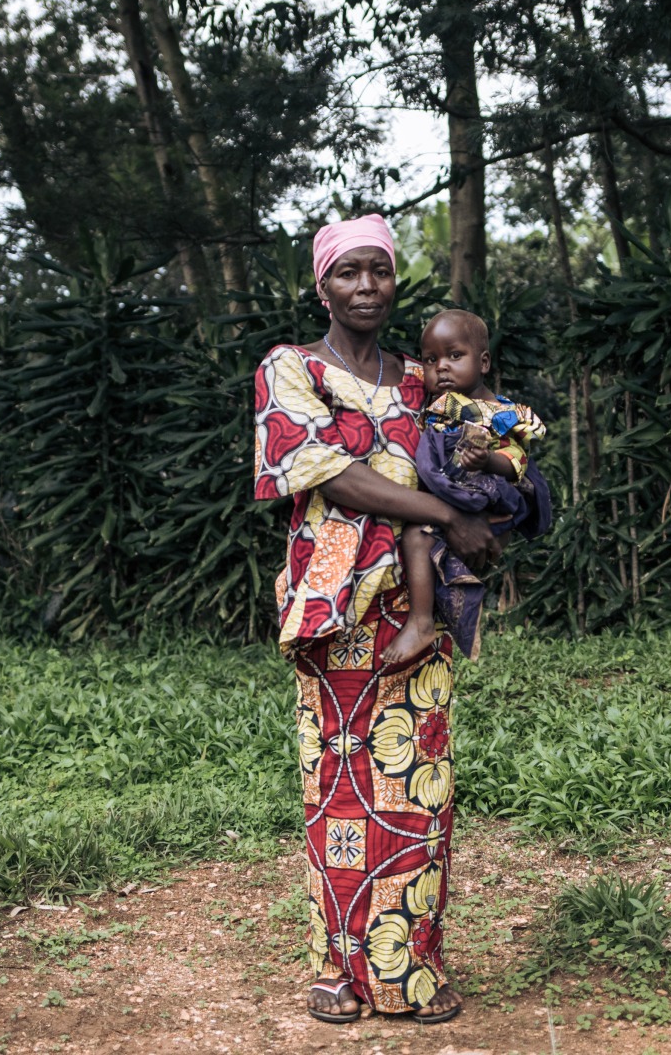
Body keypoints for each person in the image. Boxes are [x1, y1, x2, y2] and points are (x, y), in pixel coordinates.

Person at [253, 214, 496, 1027]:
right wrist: (441, 510)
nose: (364, 286)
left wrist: (493, 497)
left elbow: (477, 438)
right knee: (339, 787)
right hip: (334, 609)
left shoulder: (421, 375)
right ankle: (338, 967)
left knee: (418, 788)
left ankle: (411, 967)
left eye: (379, 272)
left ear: (395, 281)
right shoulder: (290, 369)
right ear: (320, 284)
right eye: (347, 273)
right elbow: (327, 474)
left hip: (417, 601)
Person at [381, 309, 552, 665]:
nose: (441, 367)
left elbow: (518, 462)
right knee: (418, 538)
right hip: (454, 503)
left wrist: (488, 461)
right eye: (430, 360)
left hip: (493, 505)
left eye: (454, 356)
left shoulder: (499, 412)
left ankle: (420, 621)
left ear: (484, 362)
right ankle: (432, 615)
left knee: (416, 535)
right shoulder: (439, 408)